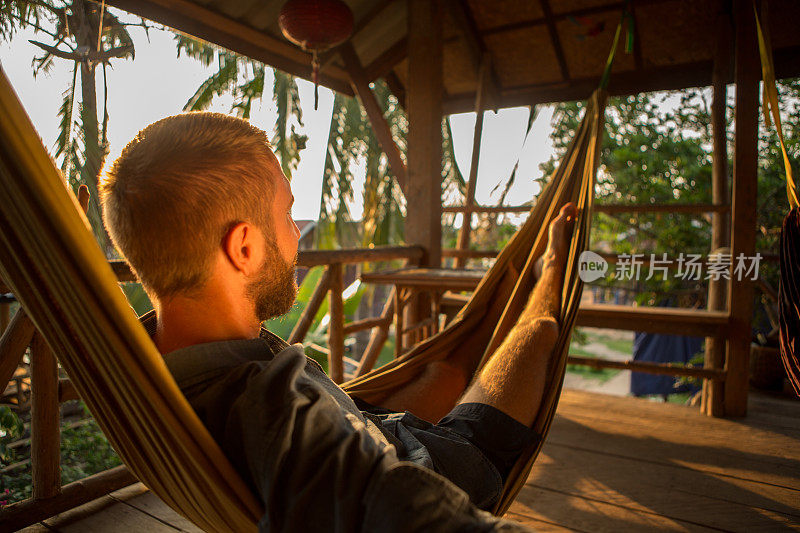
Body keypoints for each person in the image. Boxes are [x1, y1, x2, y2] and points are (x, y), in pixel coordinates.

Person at [99, 112, 575, 532]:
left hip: (369, 420)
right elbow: (397, 506)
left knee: (445, 370)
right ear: (243, 248)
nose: (295, 236)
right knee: (536, 332)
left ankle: (491, 316)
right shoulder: (276, 412)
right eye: (286, 214)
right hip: (451, 464)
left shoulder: (141, 357)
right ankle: (547, 274)